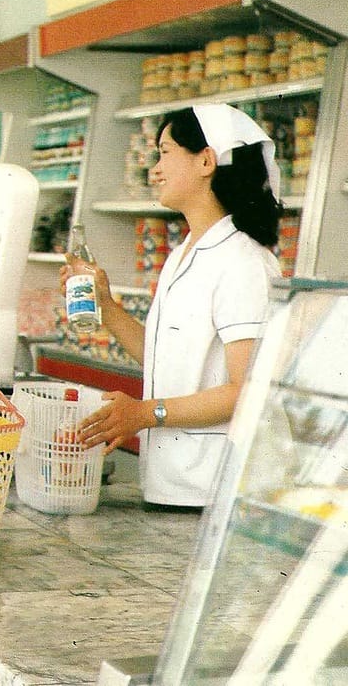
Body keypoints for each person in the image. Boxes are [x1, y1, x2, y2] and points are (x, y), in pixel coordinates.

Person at [65, 103, 282, 508]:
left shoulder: (244, 262)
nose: (155, 170)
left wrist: (145, 413)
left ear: (206, 161)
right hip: (173, 485)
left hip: (215, 492)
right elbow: (163, 357)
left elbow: (247, 390)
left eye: (165, 153)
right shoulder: (184, 254)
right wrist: (105, 306)